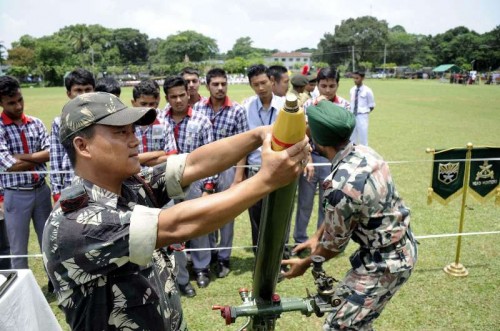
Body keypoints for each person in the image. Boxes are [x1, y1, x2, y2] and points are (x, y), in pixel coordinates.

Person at [42, 91, 310, 331]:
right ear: (82, 145)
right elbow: (179, 224)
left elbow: (193, 164)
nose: (135, 141)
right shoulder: (76, 221)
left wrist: (259, 135)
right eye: (120, 133)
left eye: (132, 131)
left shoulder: (129, 185)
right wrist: (266, 180)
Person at [282, 100, 417, 330]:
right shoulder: (365, 152)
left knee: (339, 326)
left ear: (318, 138)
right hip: (395, 250)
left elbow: (333, 247)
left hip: (386, 264)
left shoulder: (338, 187)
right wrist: (317, 236)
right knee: (355, 320)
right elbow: (347, 209)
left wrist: (303, 265)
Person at [193, 68, 249, 278]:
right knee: (205, 211)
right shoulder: (198, 108)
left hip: (228, 168)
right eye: (215, 84)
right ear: (207, 86)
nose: (220, 88)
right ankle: (208, 255)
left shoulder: (237, 110)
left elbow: (243, 146)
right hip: (203, 167)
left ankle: (224, 256)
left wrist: (238, 177)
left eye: (223, 84)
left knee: (226, 213)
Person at [163, 76, 214, 294]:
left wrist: (208, 187)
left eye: (181, 95)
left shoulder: (201, 121)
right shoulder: (159, 120)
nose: (178, 100)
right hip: (166, 183)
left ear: (188, 94)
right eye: (173, 97)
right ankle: (178, 272)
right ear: (167, 98)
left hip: (194, 182)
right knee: (173, 229)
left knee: (198, 225)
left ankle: (202, 268)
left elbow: (211, 157)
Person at [293, 67, 350, 248]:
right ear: (317, 85)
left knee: (327, 203)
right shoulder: (310, 105)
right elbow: (304, 134)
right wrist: (307, 160)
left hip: (333, 160)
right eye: (324, 85)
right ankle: (300, 238)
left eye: (332, 86)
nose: (327, 90)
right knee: (305, 201)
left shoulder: (344, 106)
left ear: (337, 85)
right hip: (312, 158)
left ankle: (321, 240)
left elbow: (347, 137)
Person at [0, 76, 52, 270]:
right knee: (18, 248)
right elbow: (8, 165)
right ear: (1, 103)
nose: (18, 106)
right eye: (11, 103)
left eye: (20, 100)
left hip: (41, 191)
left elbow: (49, 154)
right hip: (16, 193)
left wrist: (21, 156)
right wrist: (35, 157)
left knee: (47, 241)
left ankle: (53, 282)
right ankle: (21, 289)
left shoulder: (36, 123)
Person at [242, 64, 285, 252]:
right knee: (256, 215)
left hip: (280, 168)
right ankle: (259, 254)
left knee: (279, 214)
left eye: (264, 82)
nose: (260, 88)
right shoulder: (246, 107)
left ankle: (279, 254)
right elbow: (243, 142)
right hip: (254, 169)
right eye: (255, 84)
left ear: (272, 81)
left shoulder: (286, 106)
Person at [50, 68, 95, 202]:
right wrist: (57, 193)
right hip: (71, 186)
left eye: (88, 89)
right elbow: (55, 159)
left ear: (94, 90)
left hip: (100, 184)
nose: (84, 94)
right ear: (69, 93)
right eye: (78, 90)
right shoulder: (59, 122)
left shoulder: (103, 120)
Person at [132, 80, 177, 167]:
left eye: (151, 104)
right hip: (132, 178)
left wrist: (142, 160)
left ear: (156, 104)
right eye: (143, 104)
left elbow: (172, 157)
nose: (148, 108)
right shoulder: (127, 126)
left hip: (157, 177)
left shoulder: (164, 124)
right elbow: (124, 159)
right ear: (133, 103)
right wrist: (160, 153)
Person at [350, 71, 375, 146]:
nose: (355, 80)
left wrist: (363, 113)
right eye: (354, 78)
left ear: (363, 78)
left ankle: (364, 155)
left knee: (363, 137)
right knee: (351, 137)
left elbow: (371, 105)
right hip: (352, 115)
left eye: (357, 78)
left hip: (362, 116)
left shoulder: (368, 91)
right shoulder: (352, 90)